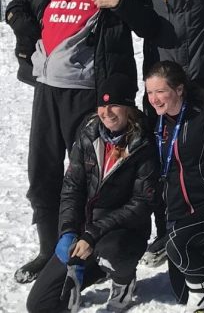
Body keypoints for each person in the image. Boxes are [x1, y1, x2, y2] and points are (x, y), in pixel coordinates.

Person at [5, 0, 159, 283]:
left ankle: (89, 256)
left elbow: (151, 25)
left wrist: (118, 4)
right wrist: (26, 33)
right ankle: (49, 251)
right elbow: (18, 5)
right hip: (47, 90)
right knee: (42, 171)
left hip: (91, 95)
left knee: (91, 178)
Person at [26, 73, 158, 313]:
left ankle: (123, 279)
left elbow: (141, 204)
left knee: (112, 249)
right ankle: (96, 267)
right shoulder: (88, 133)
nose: (106, 112)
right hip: (84, 228)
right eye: (102, 105)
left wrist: (92, 235)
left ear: (128, 107)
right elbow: (72, 188)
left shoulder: (143, 144)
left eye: (114, 105)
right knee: (40, 304)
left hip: (121, 231)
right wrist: (67, 231)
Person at [145, 60, 204, 313]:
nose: (154, 98)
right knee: (181, 294)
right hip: (177, 212)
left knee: (176, 244)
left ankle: (203, 291)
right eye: (150, 92)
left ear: (179, 89)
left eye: (160, 91)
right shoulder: (158, 123)